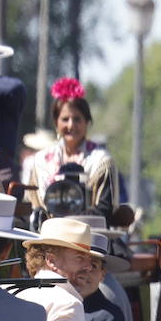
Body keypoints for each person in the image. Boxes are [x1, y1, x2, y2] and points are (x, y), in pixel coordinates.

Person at [27, 78, 121, 219]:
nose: (71, 125)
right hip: (48, 235)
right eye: (65, 119)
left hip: (88, 235)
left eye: (77, 119)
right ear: (56, 122)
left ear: (87, 122)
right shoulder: (40, 161)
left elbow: (104, 210)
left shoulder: (101, 161)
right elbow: (34, 205)